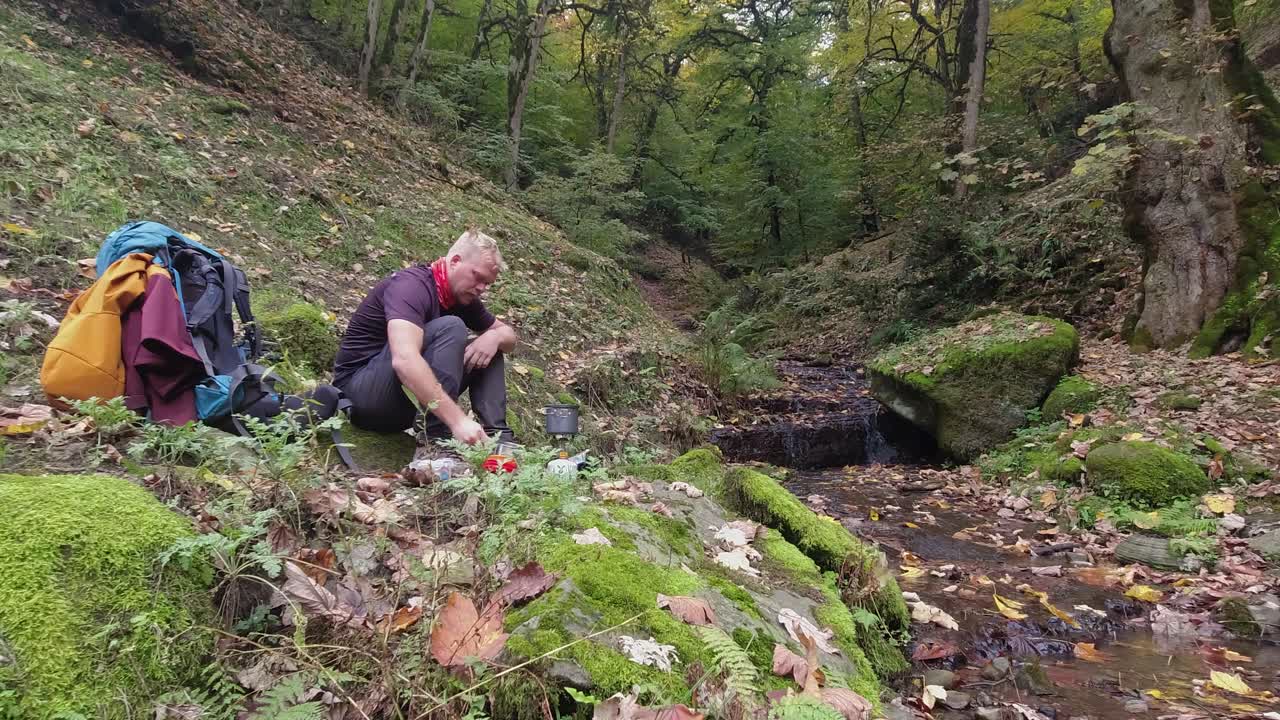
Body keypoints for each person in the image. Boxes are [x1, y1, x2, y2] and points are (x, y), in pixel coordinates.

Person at [333, 229, 517, 445]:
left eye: (488, 284)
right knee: (451, 327)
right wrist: (457, 420)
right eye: (478, 277)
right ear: (455, 261)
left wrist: (494, 338)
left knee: (489, 348)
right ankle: (439, 441)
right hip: (361, 398)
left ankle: (500, 441)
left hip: (403, 404)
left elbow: (509, 337)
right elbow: (404, 359)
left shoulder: (463, 296)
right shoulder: (411, 287)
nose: (481, 289)